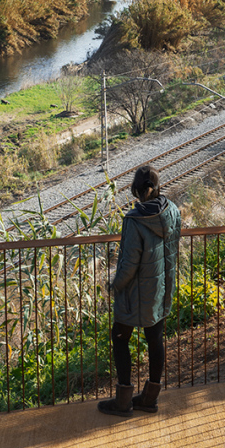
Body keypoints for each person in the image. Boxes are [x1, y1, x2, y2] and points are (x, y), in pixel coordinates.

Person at [98, 164, 181, 417]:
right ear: (156, 187)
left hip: (135, 294)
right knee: (155, 340)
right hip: (161, 289)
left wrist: (114, 285)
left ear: (135, 190)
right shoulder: (173, 211)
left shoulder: (135, 220)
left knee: (120, 337)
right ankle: (148, 399)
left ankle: (123, 401)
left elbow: (129, 264)